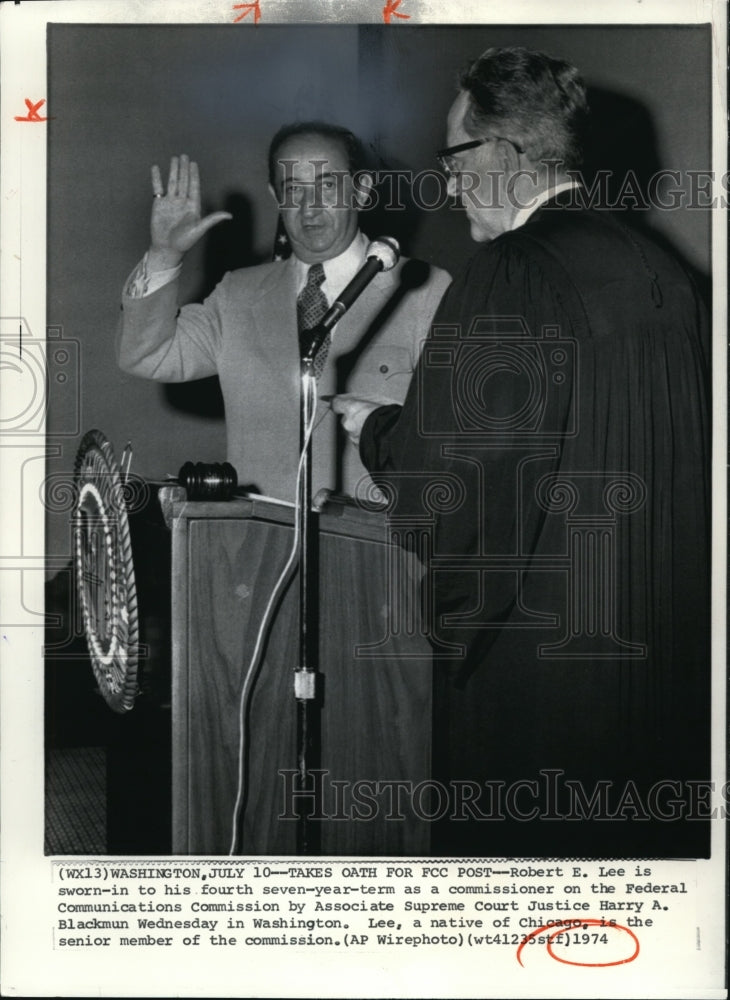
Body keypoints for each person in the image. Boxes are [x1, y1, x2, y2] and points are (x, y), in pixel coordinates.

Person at [335, 47, 711, 857]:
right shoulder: (664, 271)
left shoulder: (514, 269)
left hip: (546, 671)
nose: (445, 180)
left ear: (503, 155)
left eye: (454, 155)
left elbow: (461, 484)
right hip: (663, 662)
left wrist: (373, 427)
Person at [117, 122, 451, 501]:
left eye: (327, 185)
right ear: (276, 196)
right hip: (260, 549)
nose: (310, 207)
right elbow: (146, 355)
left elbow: (456, 439)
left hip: (374, 549)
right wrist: (165, 254)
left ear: (361, 190)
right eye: (294, 189)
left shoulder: (423, 289)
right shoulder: (237, 295)